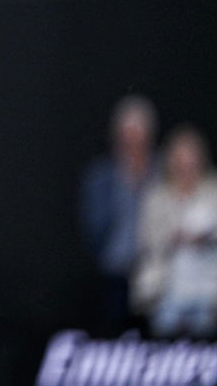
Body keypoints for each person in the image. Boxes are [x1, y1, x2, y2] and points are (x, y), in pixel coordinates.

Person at [131, 125, 217, 338]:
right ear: (170, 160)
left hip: (209, 283)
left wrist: (202, 237)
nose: (186, 164)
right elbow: (146, 238)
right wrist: (173, 237)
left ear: (201, 158)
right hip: (167, 283)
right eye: (180, 158)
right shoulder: (157, 194)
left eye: (191, 157)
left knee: (204, 335)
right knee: (165, 331)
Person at [79, 95, 158, 335]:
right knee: (113, 332)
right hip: (114, 268)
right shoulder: (101, 175)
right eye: (127, 133)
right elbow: (93, 224)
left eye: (138, 133)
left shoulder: (162, 171)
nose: (132, 140)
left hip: (155, 269)